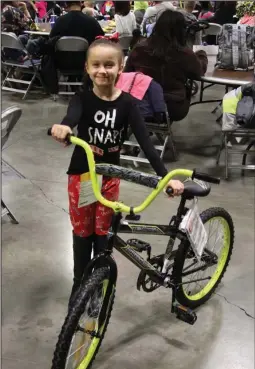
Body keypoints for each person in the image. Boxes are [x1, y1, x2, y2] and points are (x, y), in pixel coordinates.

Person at [50, 38, 184, 306]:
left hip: (110, 178)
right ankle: (79, 284)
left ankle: (98, 284)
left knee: (103, 234)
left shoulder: (128, 104)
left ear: (120, 67)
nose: (103, 70)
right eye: (96, 65)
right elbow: (71, 117)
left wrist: (167, 177)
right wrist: (64, 127)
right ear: (87, 68)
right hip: (82, 177)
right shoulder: (82, 98)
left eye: (109, 65)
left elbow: (146, 144)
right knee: (81, 234)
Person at [125, 9, 208, 121]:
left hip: (140, 104)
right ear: (182, 30)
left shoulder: (139, 48)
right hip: (171, 108)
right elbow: (199, 72)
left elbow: (127, 74)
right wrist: (202, 55)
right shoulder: (184, 53)